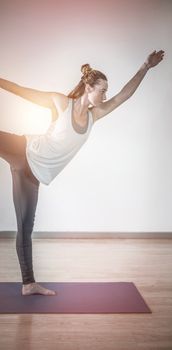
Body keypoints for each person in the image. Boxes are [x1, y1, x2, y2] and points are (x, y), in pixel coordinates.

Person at [0, 50, 164, 296]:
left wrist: (144, 67)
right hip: (22, 150)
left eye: (106, 91)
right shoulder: (59, 103)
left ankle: (28, 284)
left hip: (32, 176)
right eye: (102, 90)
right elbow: (21, 90)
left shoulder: (93, 116)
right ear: (89, 87)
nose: (106, 95)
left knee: (25, 228)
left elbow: (123, 97)